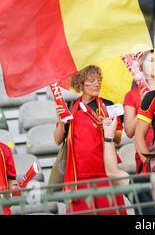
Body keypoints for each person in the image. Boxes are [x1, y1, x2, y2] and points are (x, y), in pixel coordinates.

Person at [53, 65, 125, 215]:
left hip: (106, 174)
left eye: (98, 80)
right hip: (79, 178)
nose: (96, 84)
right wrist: (61, 121)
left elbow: (118, 138)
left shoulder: (108, 105)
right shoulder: (70, 107)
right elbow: (58, 140)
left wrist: (106, 127)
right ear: (80, 84)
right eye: (91, 81)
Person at [123, 50, 155, 173]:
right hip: (145, 152)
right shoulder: (131, 95)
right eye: (152, 60)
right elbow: (130, 131)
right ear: (140, 66)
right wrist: (143, 106)